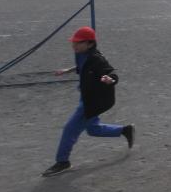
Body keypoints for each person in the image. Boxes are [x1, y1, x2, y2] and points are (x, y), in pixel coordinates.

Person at [42, 26, 134, 177]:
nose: (74, 45)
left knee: (69, 129)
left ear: (90, 43)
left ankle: (62, 161)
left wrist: (110, 80)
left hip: (94, 101)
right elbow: (81, 66)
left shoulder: (97, 59)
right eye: (73, 42)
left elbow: (111, 72)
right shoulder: (80, 53)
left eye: (78, 42)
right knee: (93, 129)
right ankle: (125, 130)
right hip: (86, 96)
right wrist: (67, 71)